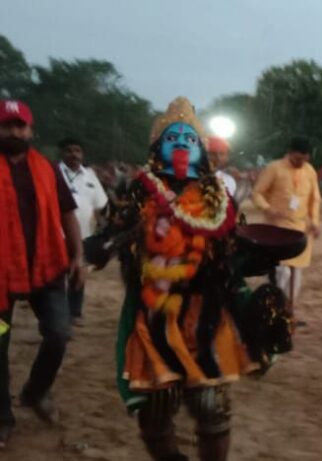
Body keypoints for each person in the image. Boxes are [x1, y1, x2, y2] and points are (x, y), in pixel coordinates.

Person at [88, 97, 292, 460]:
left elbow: (234, 245)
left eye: (188, 138)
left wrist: (256, 259)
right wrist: (100, 246)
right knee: (156, 406)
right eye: (172, 137)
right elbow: (116, 232)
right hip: (154, 309)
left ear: (199, 149)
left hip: (206, 309)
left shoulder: (219, 195)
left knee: (211, 403)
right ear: (157, 148)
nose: (181, 143)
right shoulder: (139, 190)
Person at [0, 100, 83, 450]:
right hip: (1, 279)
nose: (13, 131)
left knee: (59, 333)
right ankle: (2, 418)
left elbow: (67, 213)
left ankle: (35, 390)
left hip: (46, 269)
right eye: (7, 125)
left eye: (20, 126)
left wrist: (78, 255)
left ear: (30, 130)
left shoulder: (47, 169)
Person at [252, 137, 322, 324]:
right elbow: (257, 193)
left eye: (305, 159)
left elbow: (315, 199)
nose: (301, 163)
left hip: (300, 229)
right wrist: (268, 209)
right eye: (298, 159)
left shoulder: (310, 171)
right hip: (277, 229)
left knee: (296, 275)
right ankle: (275, 312)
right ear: (290, 152)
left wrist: (315, 221)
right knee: (281, 273)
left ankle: (289, 313)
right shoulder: (274, 168)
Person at [57, 137, 108, 325]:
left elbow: (100, 204)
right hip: (56, 235)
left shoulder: (90, 176)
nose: (74, 154)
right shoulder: (53, 173)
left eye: (77, 151)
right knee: (57, 276)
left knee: (79, 274)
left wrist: (101, 227)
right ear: (62, 153)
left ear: (82, 154)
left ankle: (75, 312)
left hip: (83, 235)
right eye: (69, 150)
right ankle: (58, 314)